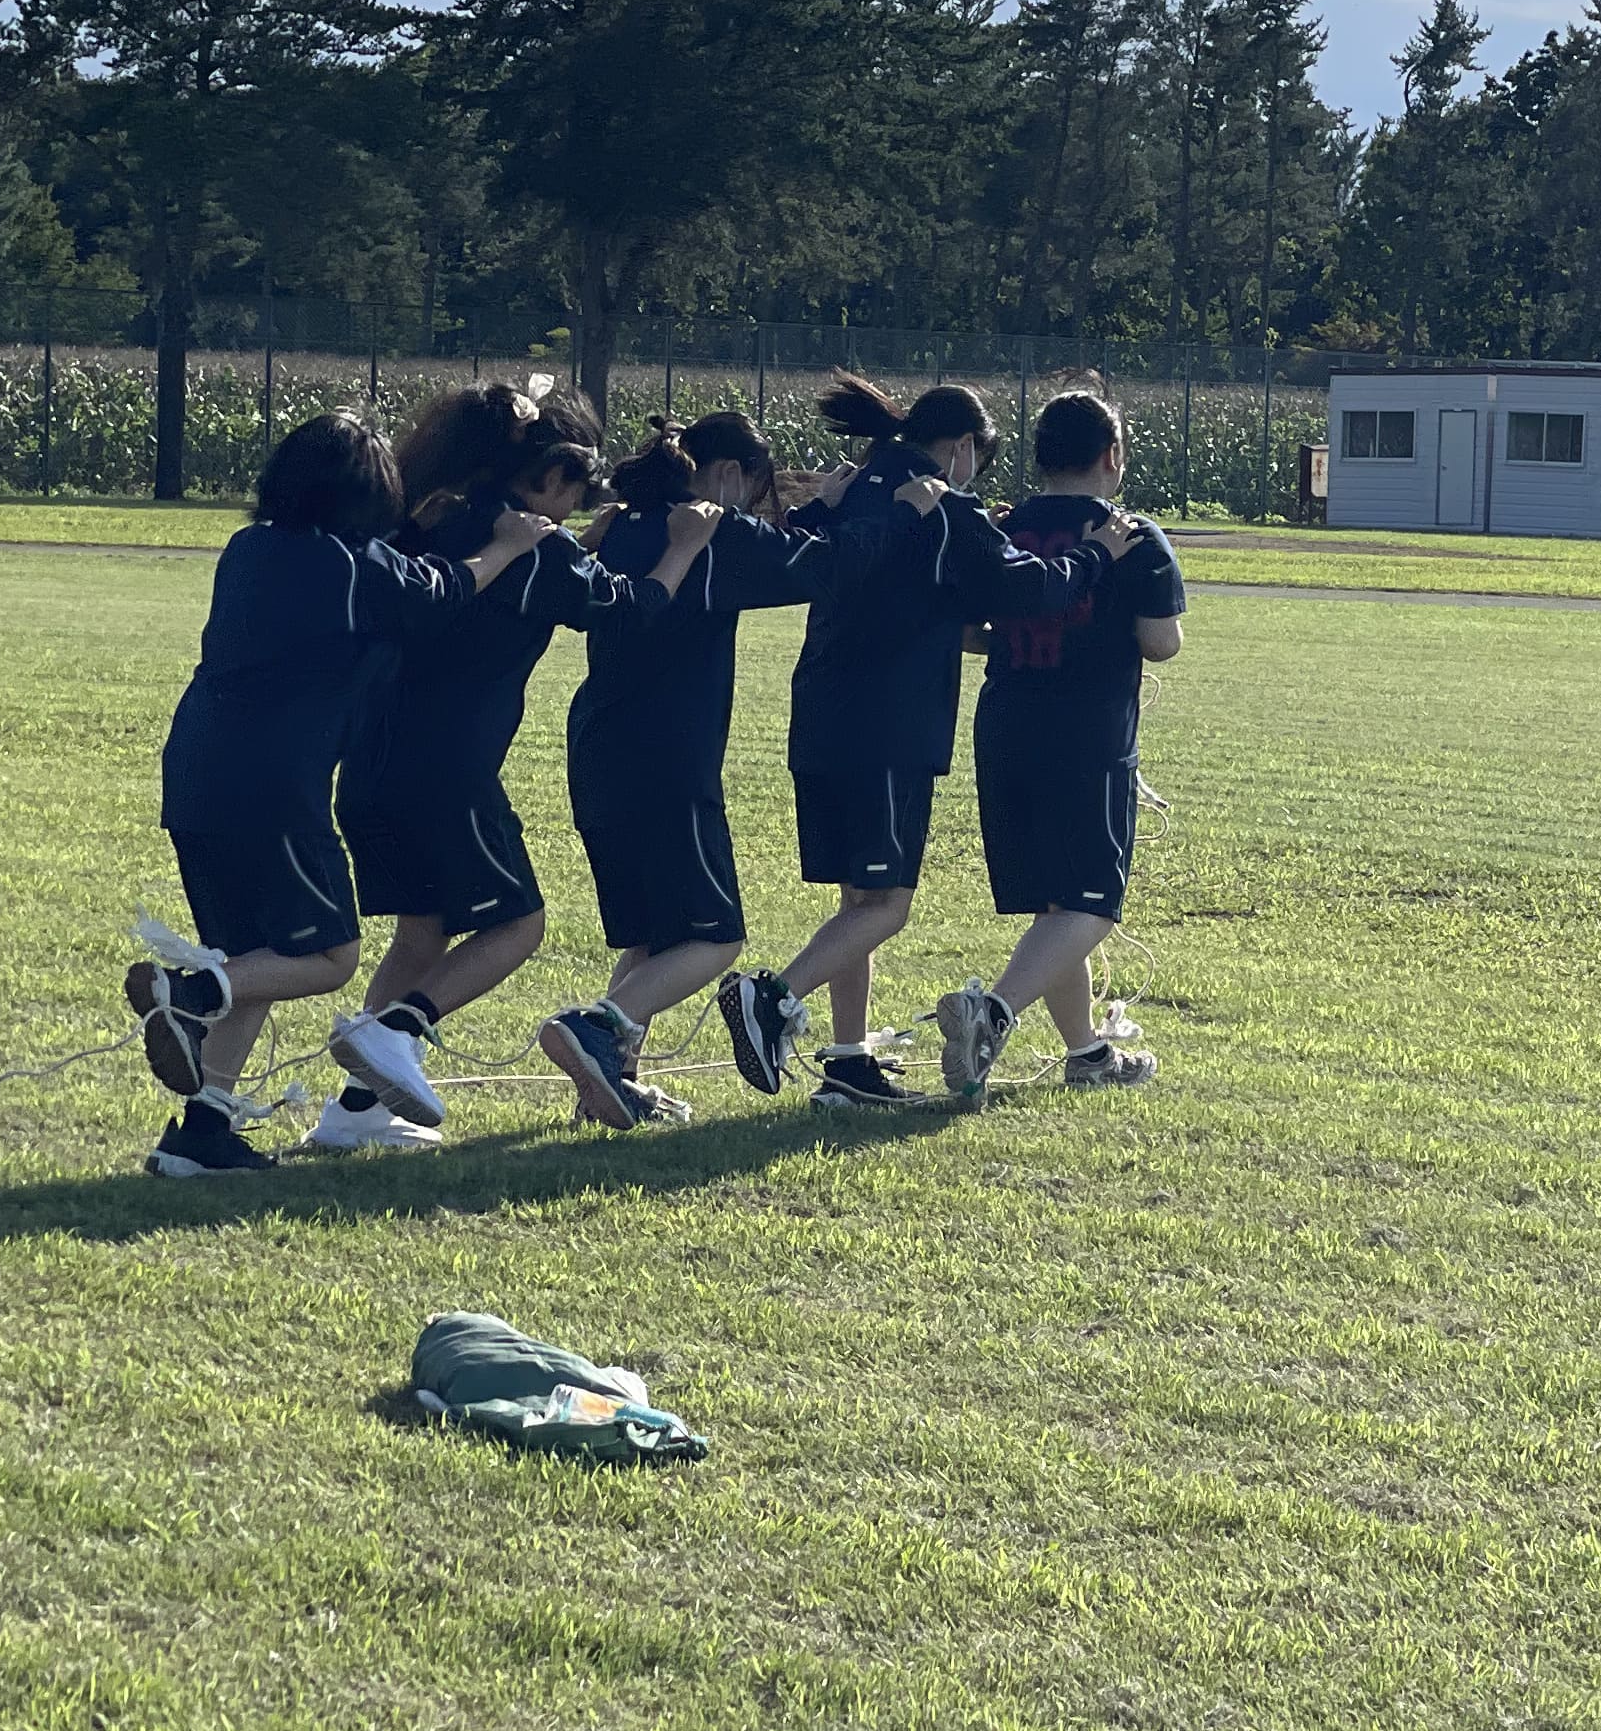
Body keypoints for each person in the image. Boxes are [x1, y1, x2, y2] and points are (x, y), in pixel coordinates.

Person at [132, 410, 551, 1178]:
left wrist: (406, 537)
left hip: (194, 770)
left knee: (257, 954)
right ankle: (191, 993)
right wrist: (508, 546)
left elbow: (371, 582)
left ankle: (201, 1133)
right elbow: (446, 589)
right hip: (272, 785)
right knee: (327, 956)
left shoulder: (251, 548)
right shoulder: (351, 567)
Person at [313, 381, 721, 1153]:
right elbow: (633, 612)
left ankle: (356, 1114)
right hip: (450, 769)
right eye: (574, 482)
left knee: (421, 934)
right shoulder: (536, 545)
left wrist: (581, 546)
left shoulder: (423, 519)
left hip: (368, 761)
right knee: (518, 923)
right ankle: (399, 1028)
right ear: (552, 473)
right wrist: (684, 548)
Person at [722, 373, 1130, 1110]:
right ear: (963, 447)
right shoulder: (938, 502)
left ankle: (847, 1062)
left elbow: (904, 592)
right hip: (888, 725)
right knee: (886, 905)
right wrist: (1098, 551)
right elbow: (1029, 591)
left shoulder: (860, 487)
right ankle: (771, 996)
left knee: (858, 899)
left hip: (819, 713)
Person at [535, 415, 849, 1131]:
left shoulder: (623, 522)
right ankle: (595, 1027)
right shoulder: (714, 533)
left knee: (652, 938)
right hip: (667, 759)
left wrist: (805, 505)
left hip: (598, 752)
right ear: (732, 476)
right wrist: (837, 505)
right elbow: (814, 561)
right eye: (758, 488)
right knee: (714, 937)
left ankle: (609, 1086)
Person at [932, 391, 1185, 1099]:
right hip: (1086, 732)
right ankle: (994, 1013)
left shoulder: (1001, 525)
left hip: (1006, 721)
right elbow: (1161, 642)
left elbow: (964, 625)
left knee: (1055, 905)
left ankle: (1087, 1053)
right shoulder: (1131, 532)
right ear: (1112, 457)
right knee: (1093, 905)